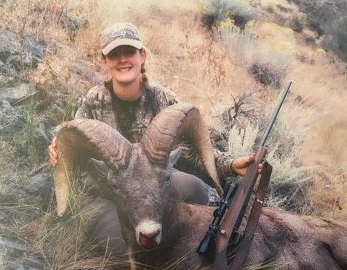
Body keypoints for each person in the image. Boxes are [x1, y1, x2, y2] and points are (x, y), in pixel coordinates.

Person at [47, 23, 260, 256]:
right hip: (110, 193)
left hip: (155, 185)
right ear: (104, 61)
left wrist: (229, 164)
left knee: (196, 190)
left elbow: (194, 148)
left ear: (142, 56)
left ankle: (180, 245)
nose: (122, 60)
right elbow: (70, 149)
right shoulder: (93, 102)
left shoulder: (162, 99)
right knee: (123, 251)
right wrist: (58, 152)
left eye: (129, 52)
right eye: (114, 54)